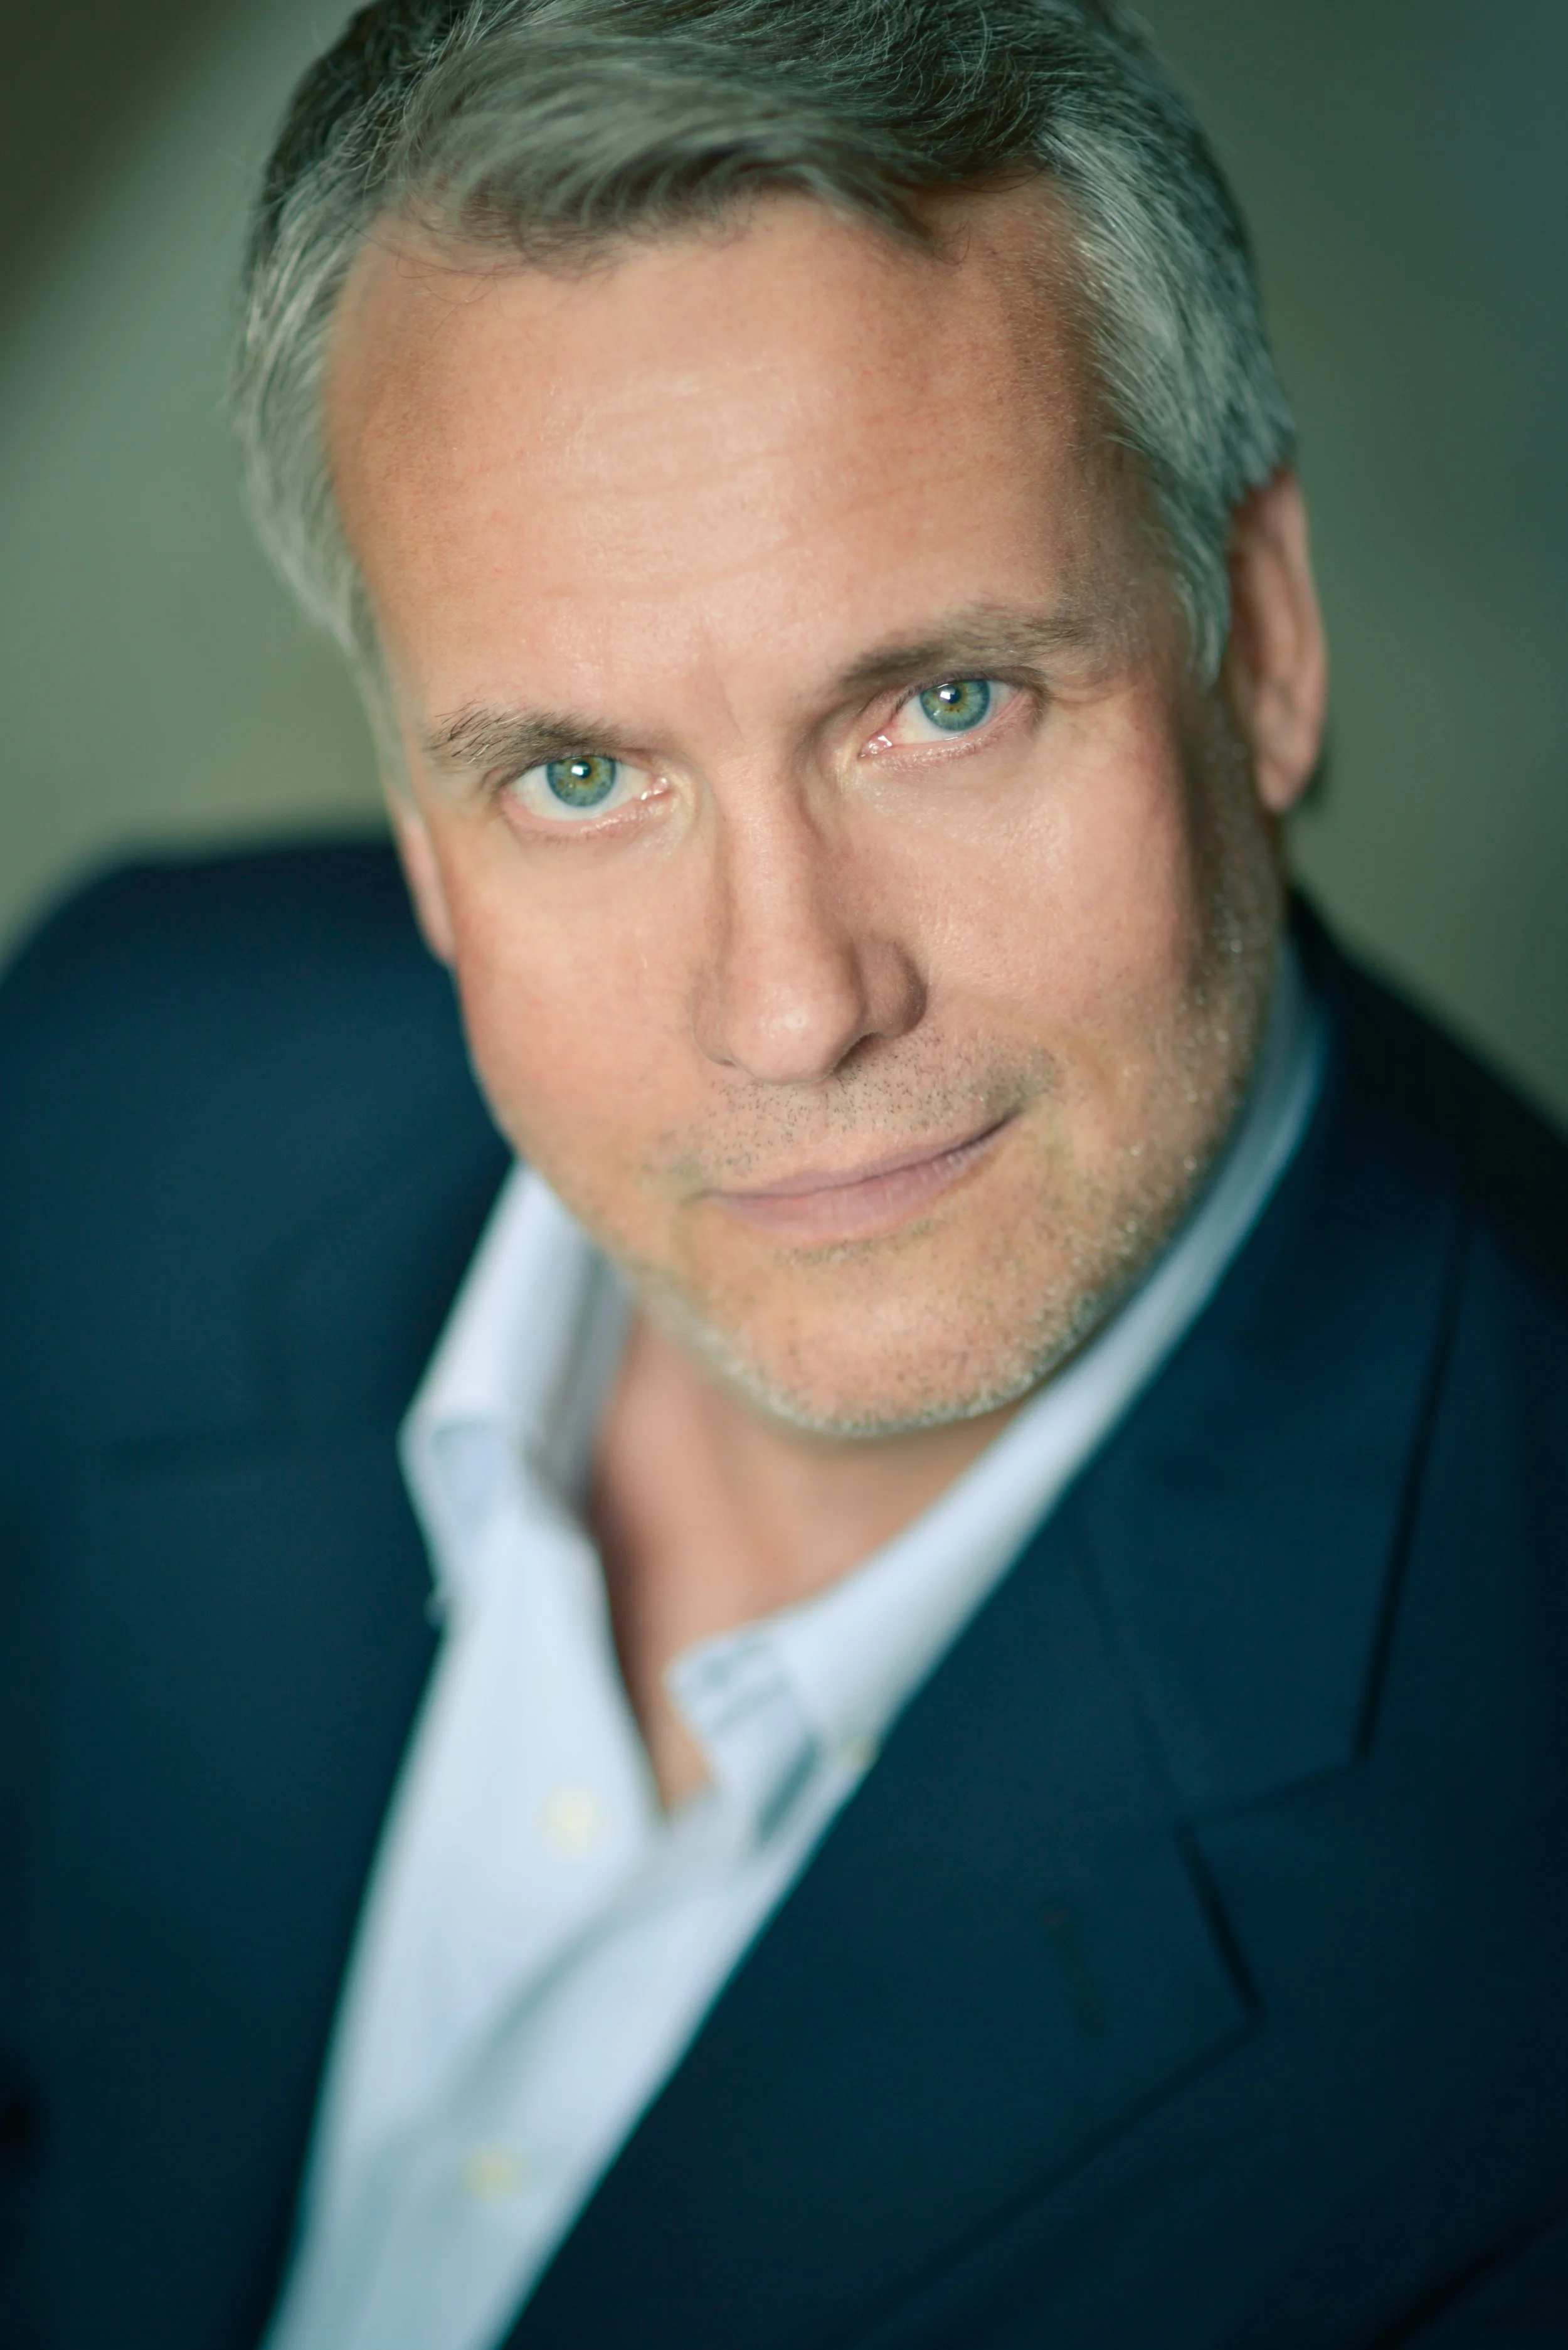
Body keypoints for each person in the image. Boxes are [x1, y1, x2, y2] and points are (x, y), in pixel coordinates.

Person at [2, 0, 1565, 2343]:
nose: (793, 1003)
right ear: (424, 836)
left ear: (1258, 646)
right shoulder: (112, 1087)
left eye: (944, 703)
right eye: (574, 777)